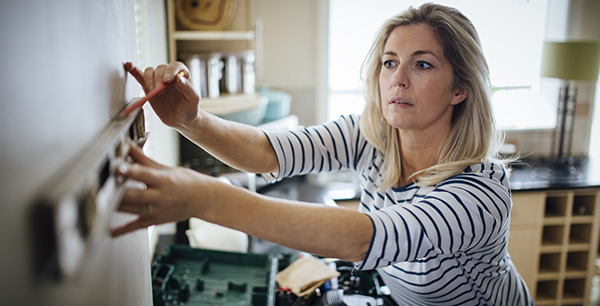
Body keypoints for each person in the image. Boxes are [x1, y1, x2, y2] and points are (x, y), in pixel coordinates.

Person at [112, 3, 533, 305]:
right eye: (389, 63)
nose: (398, 79)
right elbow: (267, 152)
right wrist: (191, 120)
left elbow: (363, 238)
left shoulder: (478, 193)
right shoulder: (372, 133)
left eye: (422, 65)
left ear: (461, 89)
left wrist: (205, 198)